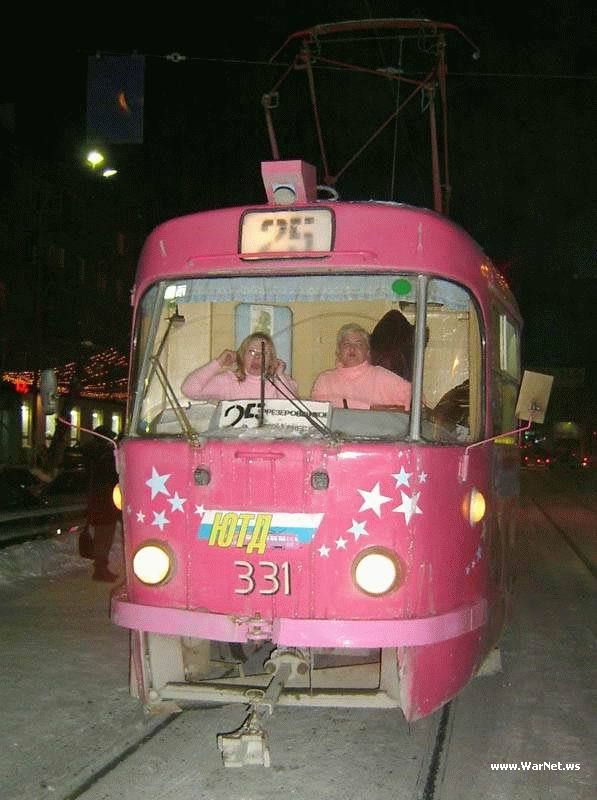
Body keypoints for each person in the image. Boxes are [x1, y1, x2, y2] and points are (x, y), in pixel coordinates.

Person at [311, 323, 411, 410]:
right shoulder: (325, 380)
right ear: (338, 352)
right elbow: (319, 408)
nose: (352, 348)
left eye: (358, 344)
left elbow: (414, 397)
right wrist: (369, 408)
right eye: (346, 344)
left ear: (367, 352)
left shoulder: (381, 376)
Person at [181, 333, 298, 401]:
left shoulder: (282, 381)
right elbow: (189, 390)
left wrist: (279, 375)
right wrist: (218, 363)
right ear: (242, 355)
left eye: (263, 353)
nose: (257, 357)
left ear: (271, 359)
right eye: (251, 352)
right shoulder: (229, 380)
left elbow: (291, 411)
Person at [83, 426, 120, 583]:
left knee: (102, 537)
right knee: (104, 538)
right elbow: (113, 477)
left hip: (99, 502)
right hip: (105, 503)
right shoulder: (106, 457)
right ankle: (100, 569)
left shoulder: (93, 455)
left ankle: (101, 568)